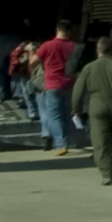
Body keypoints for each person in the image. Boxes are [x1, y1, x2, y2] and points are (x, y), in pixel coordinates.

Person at [71, 37, 112, 184]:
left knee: (100, 141)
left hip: (97, 107)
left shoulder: (89, 68)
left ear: (98, 50)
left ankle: (106, 173)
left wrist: (76, 109)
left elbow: (78, 90)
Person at [33, 18, 79, 153]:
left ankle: (61, 144)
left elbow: (33, 62)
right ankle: (64, 142)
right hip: (69, 84)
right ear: (69, 31)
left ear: (57, 30)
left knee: (53, 116)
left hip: (52, 84)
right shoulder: (74, 47)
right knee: (65, 116)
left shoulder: (47, 45)